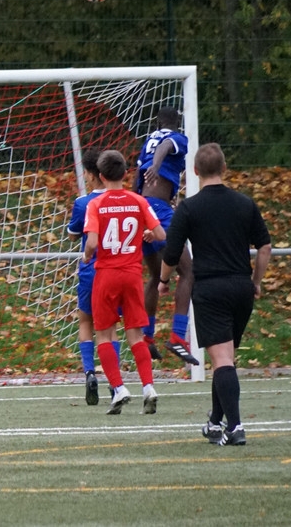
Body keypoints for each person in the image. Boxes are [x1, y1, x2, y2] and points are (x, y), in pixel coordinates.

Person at [158, 143, 271, 446]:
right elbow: (264, 247)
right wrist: (256, 281)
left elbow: (171, 251)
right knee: (225, 358)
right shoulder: (245, 203)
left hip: (210, 289)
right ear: (224, 168)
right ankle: (214, 422)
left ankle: (235, 428)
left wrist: (163, 281)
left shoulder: (189, 208)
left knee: (221, 359)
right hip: (241, 287)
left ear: (195, 171)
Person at [82, 150, 165, 415]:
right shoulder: (138, 200)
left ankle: (118, 388)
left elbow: (92, 242)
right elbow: (160, 233)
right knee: (136, 334)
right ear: (126, 173)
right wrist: (148, 232)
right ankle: (148, 387)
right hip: (132, 274)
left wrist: (87, 256)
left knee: (104, 334)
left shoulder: (95, 204)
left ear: (101, 176)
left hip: (106, 274)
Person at [135, 106, 198, 365]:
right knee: (188, 271)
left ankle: (147, 337)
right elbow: (166, 147)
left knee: (154, 275)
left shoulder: (147, 141)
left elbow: (138, 177)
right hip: (158, 211)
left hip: (142, 207)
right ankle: (178, 336)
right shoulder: (177, 138)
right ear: (177, 123)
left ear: (157, 122)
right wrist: (157, 166)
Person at [66, 148, 120, 406]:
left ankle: (89, 373)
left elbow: (73, 234)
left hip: (90, 270)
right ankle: (114, 381)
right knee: (111, 328)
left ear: (90, 174)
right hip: (116, 270)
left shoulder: (83, 203)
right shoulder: (122, 200)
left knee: (85, 321)